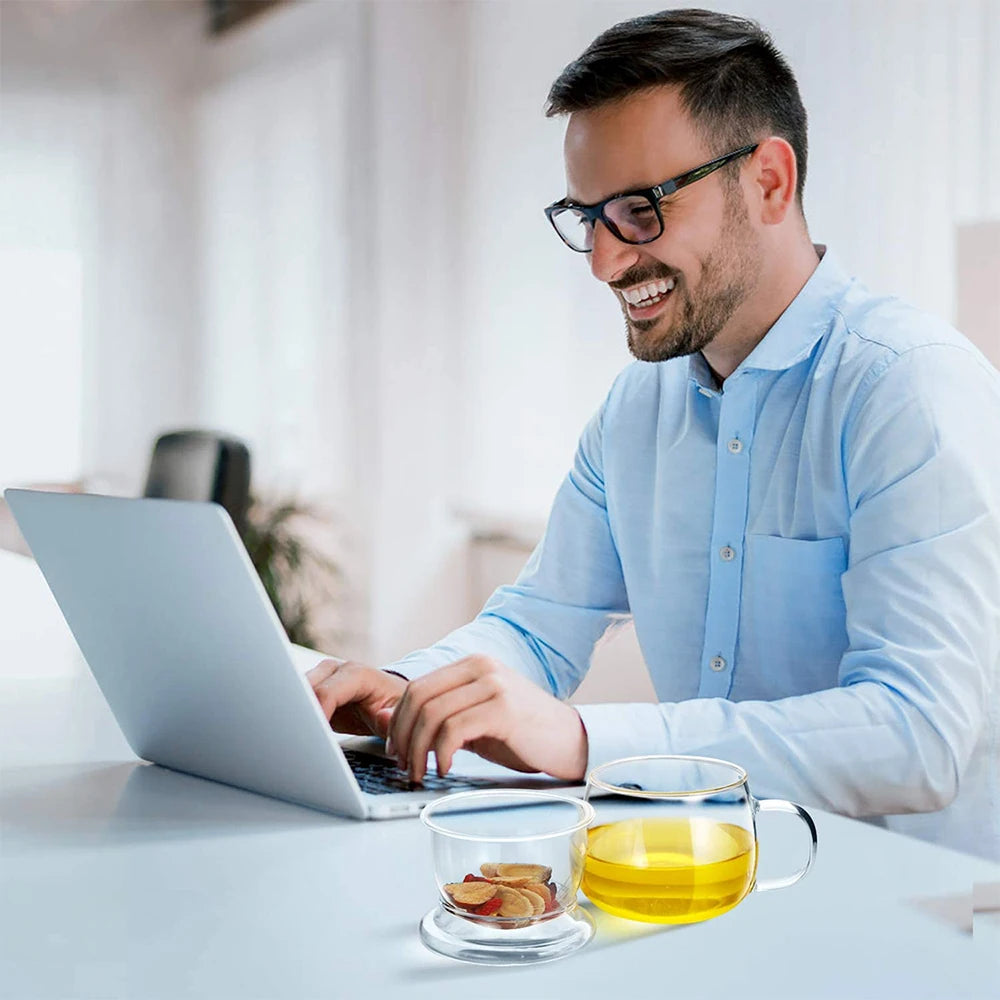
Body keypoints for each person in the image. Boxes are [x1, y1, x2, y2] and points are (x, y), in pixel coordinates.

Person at [307, 9, 1000, 860]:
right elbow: (537, 626)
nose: (604, 262)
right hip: (706, 882)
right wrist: (406, 690)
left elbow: (918, 734)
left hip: (912, 920)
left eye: (639, 210)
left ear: (770, 183)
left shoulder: (910, 387)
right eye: (586, 216)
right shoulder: (638, 409)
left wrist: (582, 744)